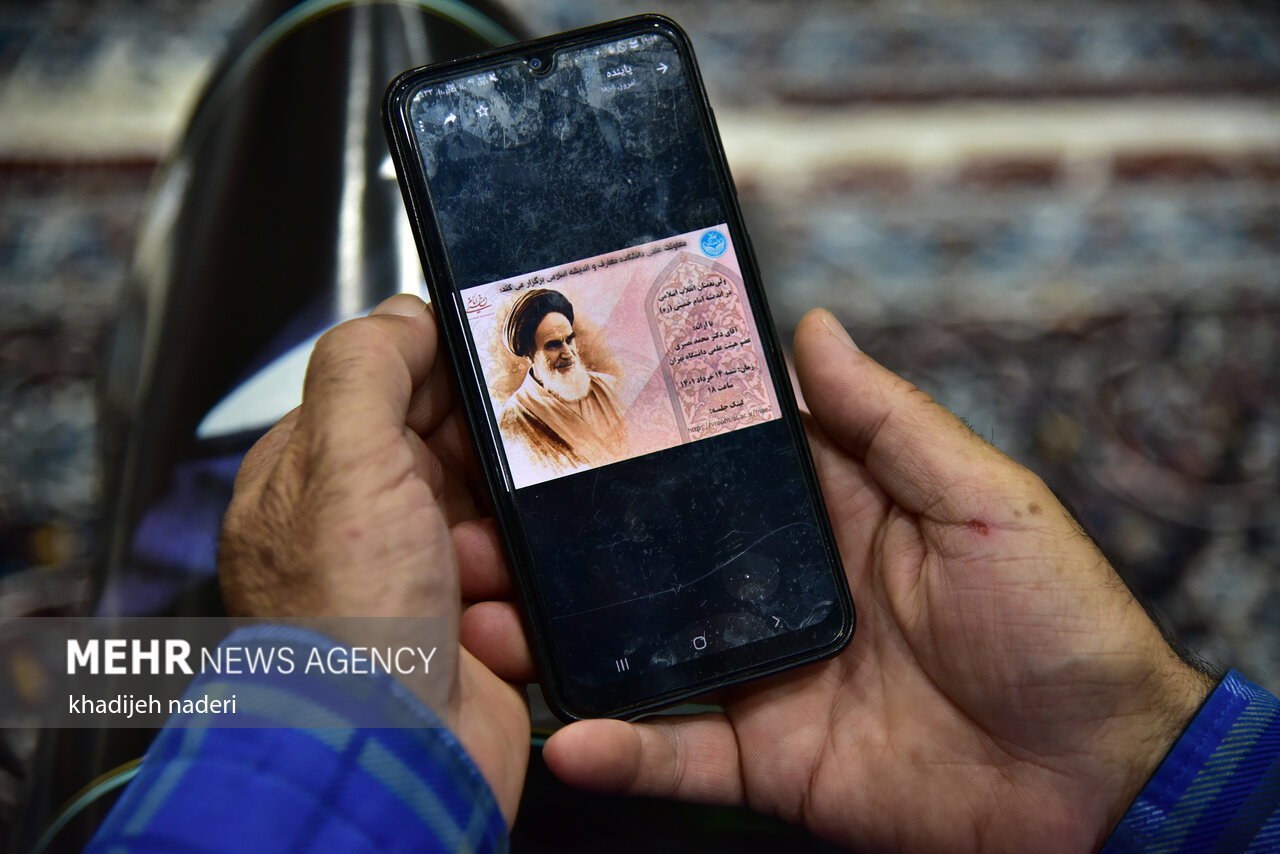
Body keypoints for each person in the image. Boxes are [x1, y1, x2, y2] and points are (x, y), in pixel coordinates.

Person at [88, 294, 1278, 852]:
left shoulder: (618, 400)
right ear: (525, 360)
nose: (567, 355)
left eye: (574, 339)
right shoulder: (538, 425)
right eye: (548, 347)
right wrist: (1145, 772)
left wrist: (342, 692)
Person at [498, 288, 629, 473]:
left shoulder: (611, 386)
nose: (568, 353)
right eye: (553, 345)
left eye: (569, 340)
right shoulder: (514, 420)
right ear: (529, 354)